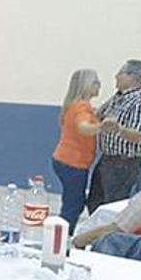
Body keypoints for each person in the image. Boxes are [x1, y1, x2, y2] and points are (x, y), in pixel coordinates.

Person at [86, 60, 141, 213]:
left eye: (120, 73)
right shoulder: (117, 98)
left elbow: (139, 135)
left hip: (124, 163)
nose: (116, 76)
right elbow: (99, 115)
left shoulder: (140, 103)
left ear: (133, 77)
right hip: (106, 159)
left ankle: (108, 236)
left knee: (111, 207)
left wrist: (119, 129)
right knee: (94, 203)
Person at [51, 69, 103, 234]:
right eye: (95, 82)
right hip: (73, 163)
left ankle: (61, 236)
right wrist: (102, 127)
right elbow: (83, 127)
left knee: (73, 202)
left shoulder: (75, 105)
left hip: (65, 161)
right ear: (86, 86)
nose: (99, 85)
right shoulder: (82, 107)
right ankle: (61, 239)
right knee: (73, 206)